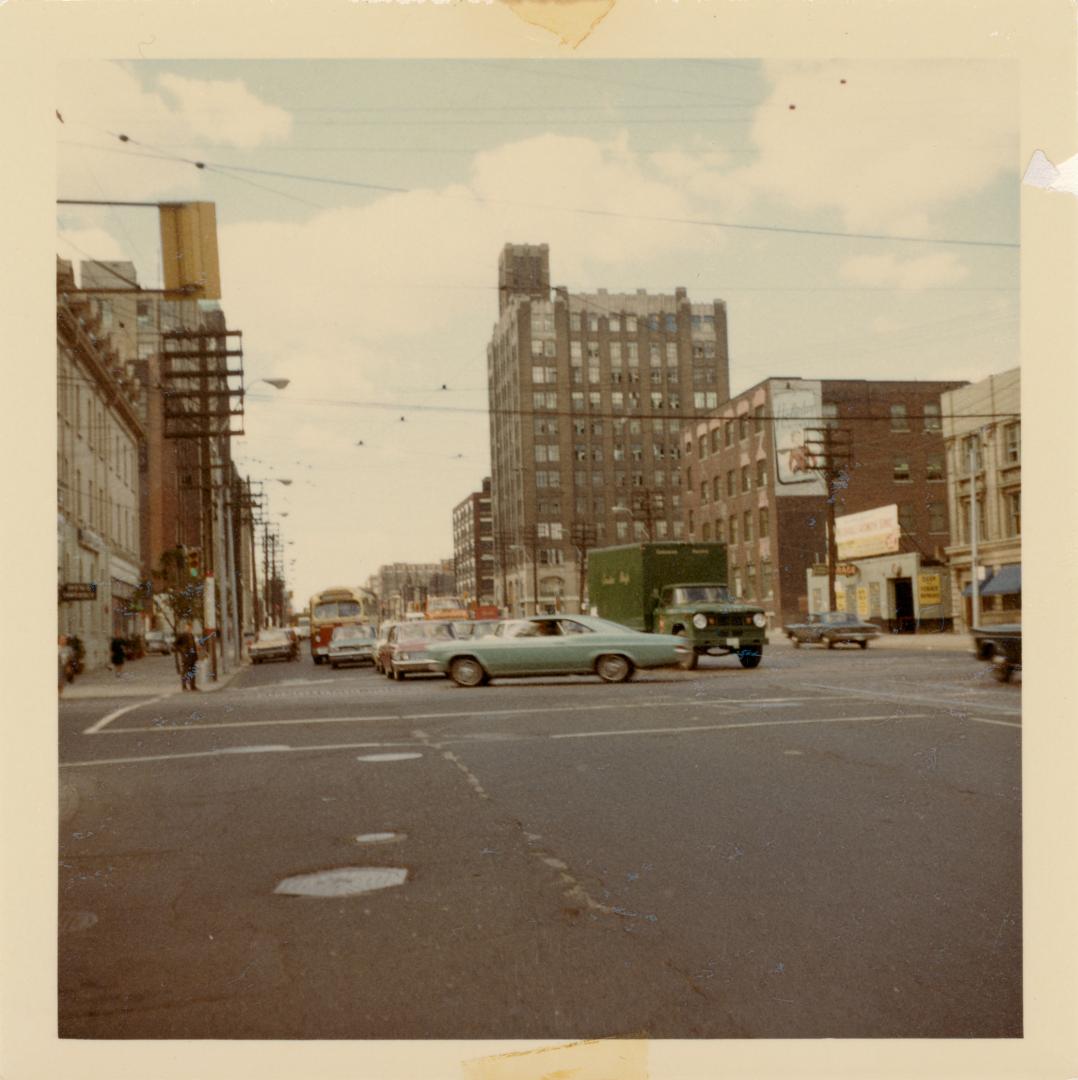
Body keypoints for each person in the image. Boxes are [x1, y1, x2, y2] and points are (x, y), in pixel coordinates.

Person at [173, 621, 200, 691]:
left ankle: (192, 686)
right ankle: (184, 686)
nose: (189, 629)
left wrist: (196, 656)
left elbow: (193, 646)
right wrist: (182, 651)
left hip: (192, 657)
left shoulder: (191, 635)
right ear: (185, 627)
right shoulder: (182, 635)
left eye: (190, 628)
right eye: (188, 627)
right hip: (186, 657)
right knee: (185, 672)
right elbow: (175, 644)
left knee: (192, 671)